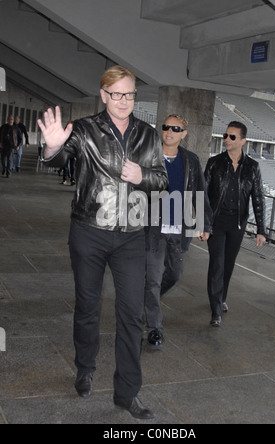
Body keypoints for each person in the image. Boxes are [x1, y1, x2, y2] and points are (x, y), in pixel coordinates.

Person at [37, 65, 168, 419]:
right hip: (89, 231)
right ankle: (85, 367)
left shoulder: (149, 135)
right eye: (116, 93)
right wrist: (51, 148)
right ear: (104, 95)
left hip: (131, 237)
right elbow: (62, 156)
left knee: (131, 313)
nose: (123, 100)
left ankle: (127, 392)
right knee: (88, 306)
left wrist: (144, 176)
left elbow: (162, 180)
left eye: (129, 94)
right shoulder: (85, 129)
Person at [144, 114, 212, 350]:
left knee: (174, 274)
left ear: (184, 133)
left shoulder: (191, 161)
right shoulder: (149, 155)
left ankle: (148, 302)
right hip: (152, 227)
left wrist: (204, 225)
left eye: (176, 128)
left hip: (179, 228)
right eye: (166, 127)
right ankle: (154, 328)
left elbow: (199, 194)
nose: (169, 131)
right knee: (152, 279)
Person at [204, 121, 266, 327]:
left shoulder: (252, 167)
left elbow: (258, 198)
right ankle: (215, 311)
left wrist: (261, 230)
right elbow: (202, 195)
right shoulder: (214, 163)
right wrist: (201, 224)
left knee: (228, 264)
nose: (226, 140)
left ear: (243, 141)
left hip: (237, 224)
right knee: (217, 264)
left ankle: (220, 299)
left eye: (232, 137)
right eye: (225, 136)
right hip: (216, 222)